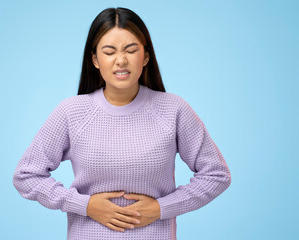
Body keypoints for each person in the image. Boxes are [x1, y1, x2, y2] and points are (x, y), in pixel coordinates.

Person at [12, 7, 231, 240]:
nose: (121, 60)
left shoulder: (173, 110)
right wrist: (84, 205)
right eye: (109, 52)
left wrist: (161, 208)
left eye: (131, 50)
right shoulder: (71, 112)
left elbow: (216, 175)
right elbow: (26, 176)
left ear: (145, 56)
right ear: (95, 59)